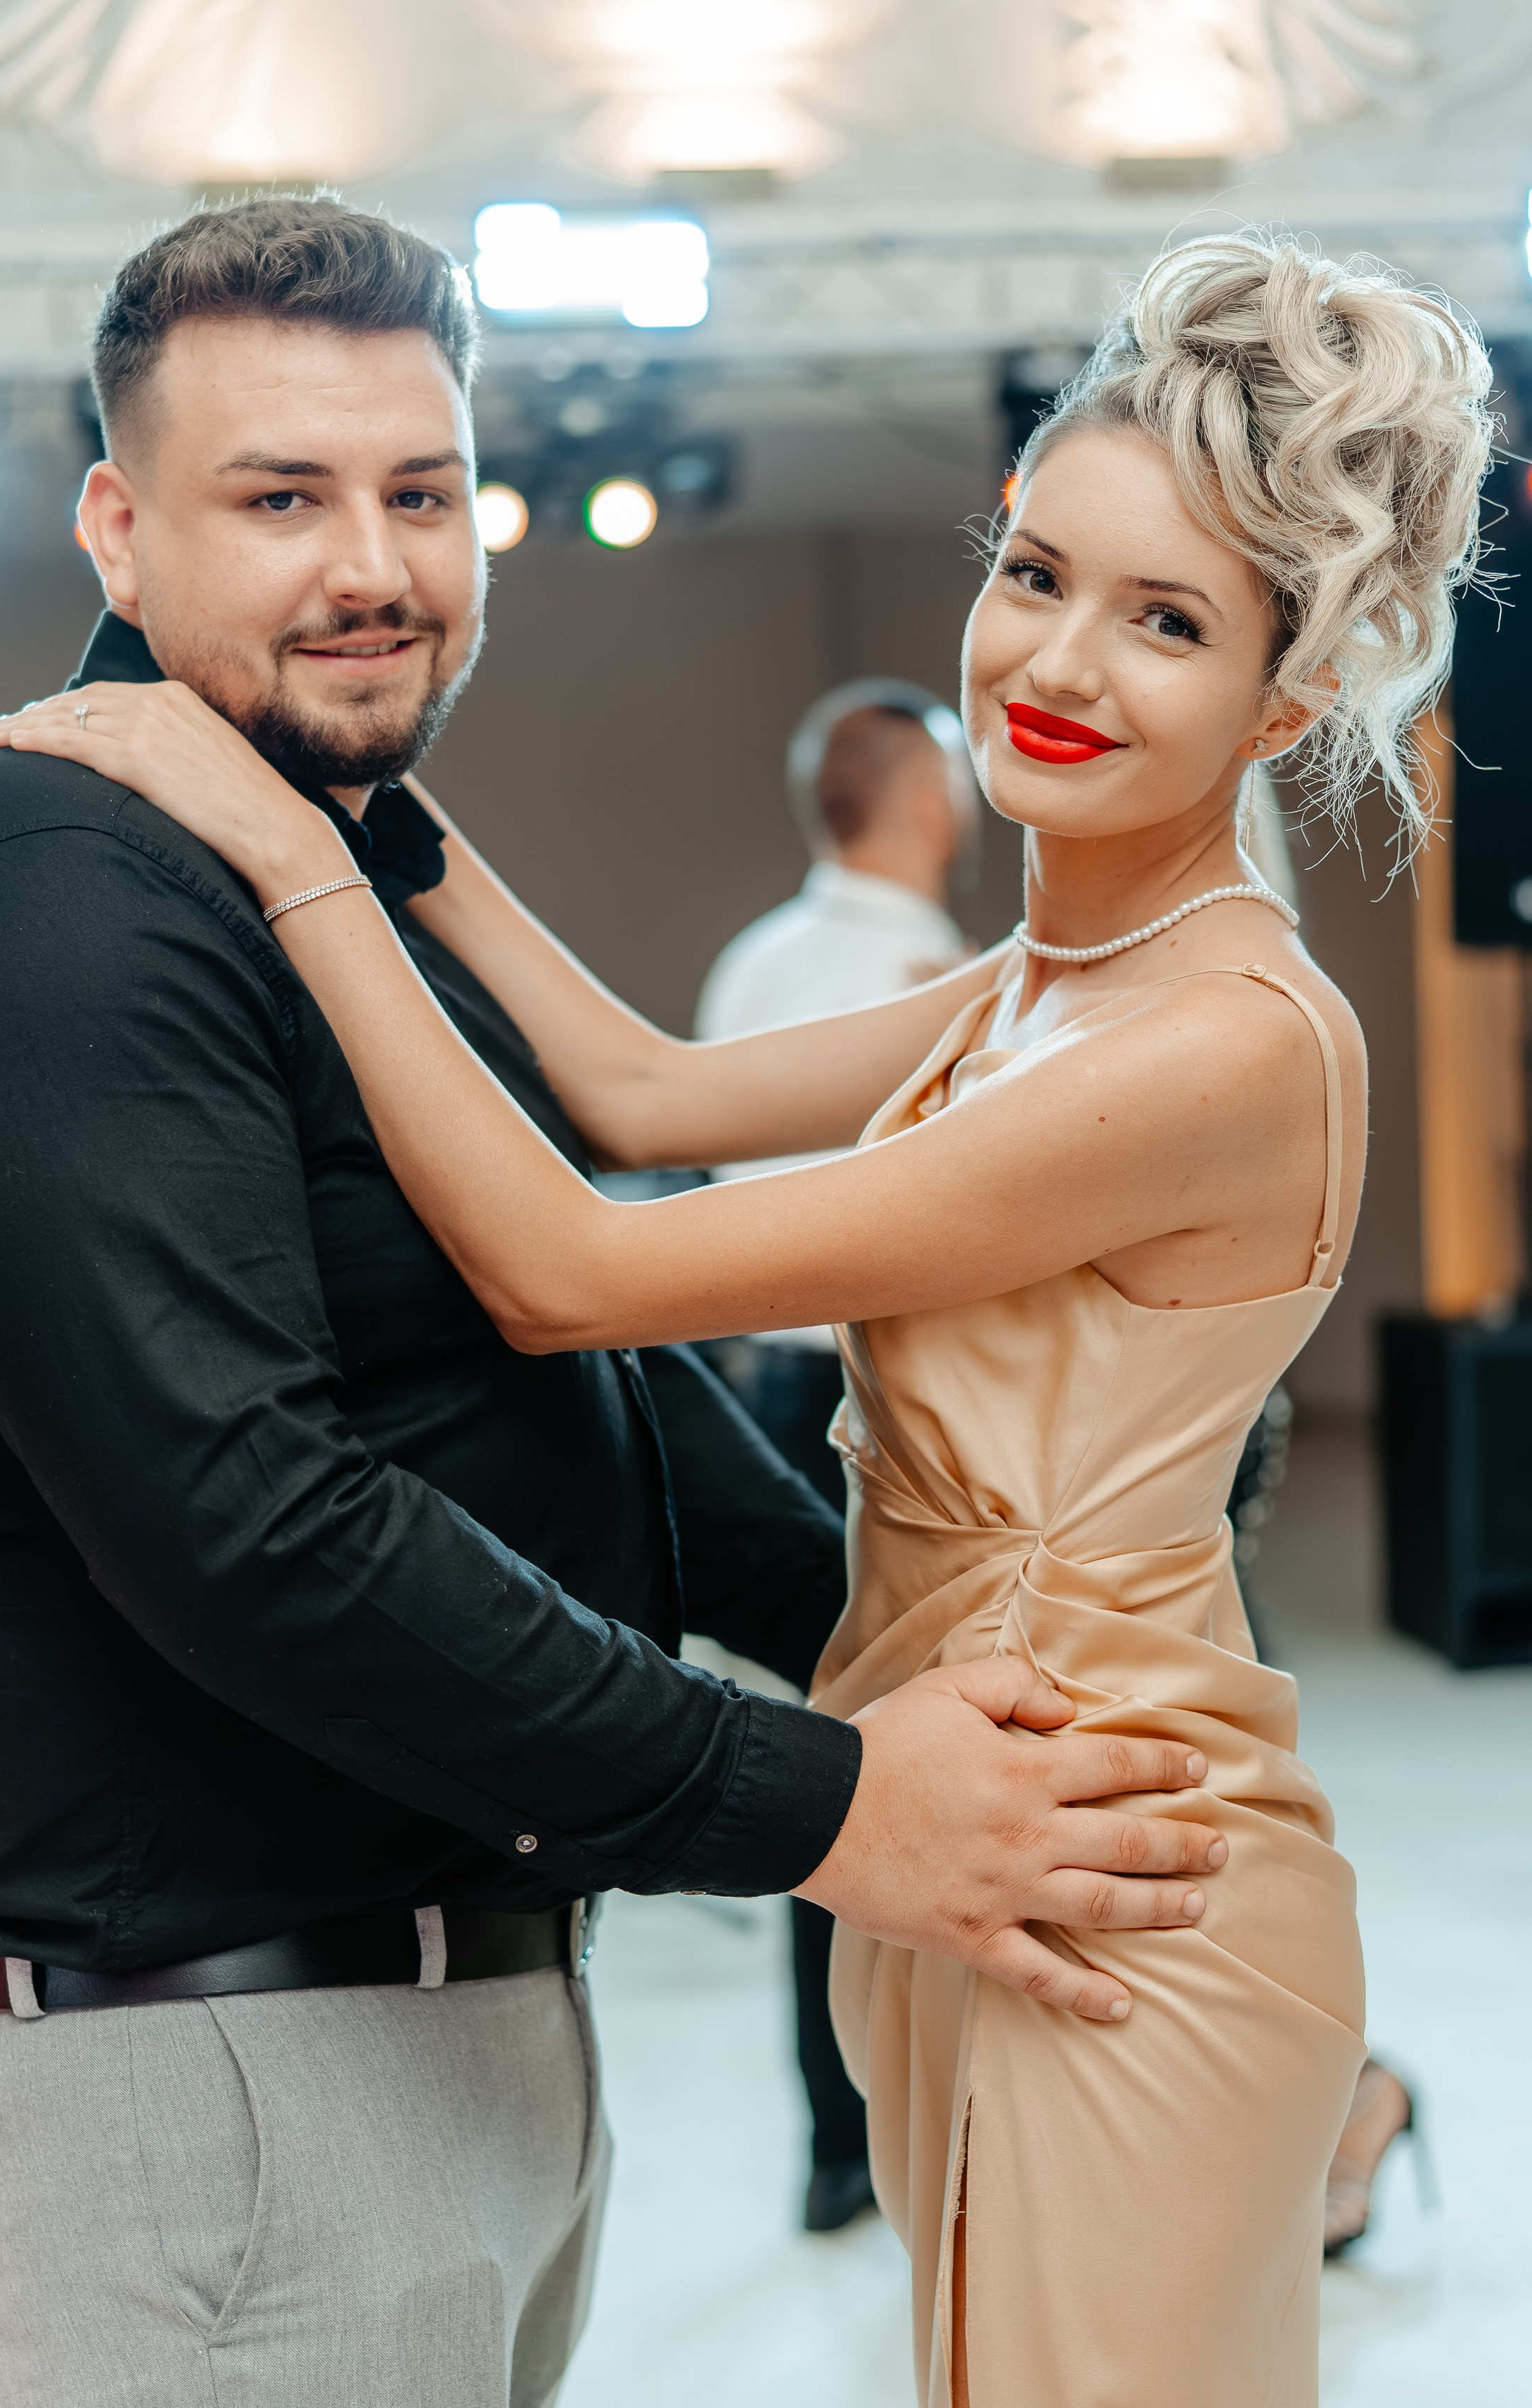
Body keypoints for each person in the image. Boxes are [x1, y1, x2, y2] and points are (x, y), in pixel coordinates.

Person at [0, 227, 1493, 2403]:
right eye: (1036, 573)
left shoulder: (1227, 1042)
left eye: (1167, 620)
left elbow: (572, 1272)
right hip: (968, 1829)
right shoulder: (1047, 987)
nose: (1059, 659)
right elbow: (638, 1092)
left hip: (1121, 1883)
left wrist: (269, 842)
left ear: (1283, 698)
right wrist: (352, 793)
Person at [697, 681, 977, 2234]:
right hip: (884, 1414)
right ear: (925, 801)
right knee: (920, 1769)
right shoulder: (936, 980)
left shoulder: (753, 961)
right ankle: (934, 2111)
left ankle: (834, 2141)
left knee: (824, 1778)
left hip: (758, 1400)